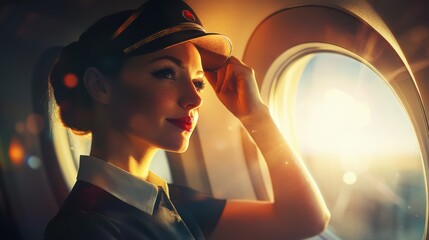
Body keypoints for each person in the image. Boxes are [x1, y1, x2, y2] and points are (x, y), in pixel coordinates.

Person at [44, 0, 330, 239]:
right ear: (99, 86)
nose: (194, 99)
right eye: (166, 73)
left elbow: (305, 220)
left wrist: (254, 115)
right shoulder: (82, 227)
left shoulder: (170, 200)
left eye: (198, 82)